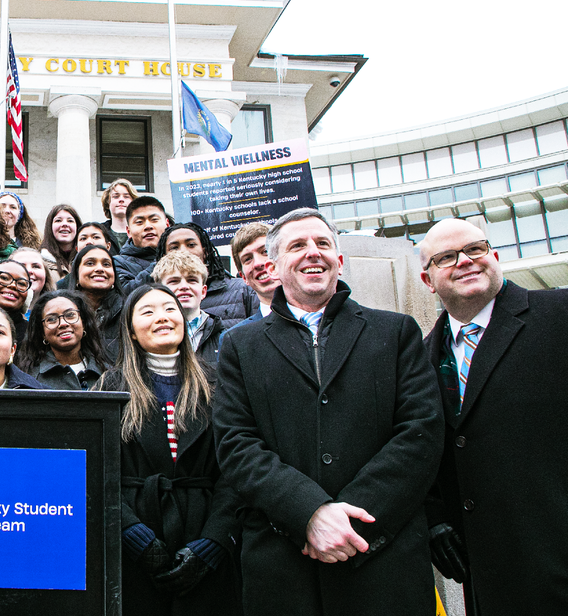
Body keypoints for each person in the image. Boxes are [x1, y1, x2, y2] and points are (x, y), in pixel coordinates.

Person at [211, 208, 444, 615]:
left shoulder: (396, 331)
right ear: (274, 266)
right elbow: (235, 443)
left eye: (323, 244)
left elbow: (420, 432)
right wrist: (309, 513)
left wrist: (347, 523)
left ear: (339, 259)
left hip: (382, 558)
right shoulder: (239, 346)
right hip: (285, 565)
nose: (312, 253)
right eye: (297, 246)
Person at [418, 218, 568, 615]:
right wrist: (433, 519)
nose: (464, 261)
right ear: (428, 279)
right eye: (446, 257)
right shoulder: (418, 357)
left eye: (475, 249)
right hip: (490, 576)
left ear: (495, 257)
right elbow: (421, 446)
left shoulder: (559, 314)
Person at [92, 283, 240, 616]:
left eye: (170, 309)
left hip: (204, 535)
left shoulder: (219, 383)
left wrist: (213, 543)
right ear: (130, 331)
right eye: (148, 311)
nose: (162, 317)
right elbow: (97, 471)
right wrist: (133, 536)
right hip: (134, 546)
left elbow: (237, 468)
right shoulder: (108, 387)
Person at [158, 223, 257, 329]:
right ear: (163, 256)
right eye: (174, 247)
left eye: (191, 245)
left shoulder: (243, 290)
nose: (183, 251)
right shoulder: (156, 297)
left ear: (204, 252)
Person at [16, 290, 108, 390]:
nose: (63, 323)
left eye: (70, 315)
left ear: (84, 323)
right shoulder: (28, 379)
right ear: (42, 333)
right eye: (51, 319)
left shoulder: (108, 374)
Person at [151, 252, 222, 368]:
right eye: (174, 281)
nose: (184, 286)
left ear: (203, 291)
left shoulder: (224, 337)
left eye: (192, 280)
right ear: (159, 290)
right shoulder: (148, 335)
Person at [71, 244, 124, 364]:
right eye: (90, 263)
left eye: (106, 264)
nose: (100, 269)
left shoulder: (129, 312)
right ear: (77, 276)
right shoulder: (64, 314)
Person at [227, 221, 278, 328]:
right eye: (248, 259)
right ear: (243, 277)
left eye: (265, 251)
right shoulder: (235, 339)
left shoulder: (317, 319)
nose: (258, 263)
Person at [114, 196, 169, 284]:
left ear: (167, 224)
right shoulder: (118, 263)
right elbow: (126, 291)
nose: (148, 226)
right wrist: (163, 261)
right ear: (128, 232)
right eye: (139, 222)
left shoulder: (182, 254)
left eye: (154, 220)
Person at [40, 204, 81, 281]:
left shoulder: (85, 260)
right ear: (50, 227)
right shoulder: (39, 262)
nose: (65, 224)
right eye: (58, 220)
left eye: (70, 221)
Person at [101, 178, 138, 248]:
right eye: (116, 196)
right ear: (108, 203)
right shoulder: (99, 232)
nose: (121, 200)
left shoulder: (142, 232)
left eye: (126, 196)